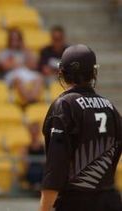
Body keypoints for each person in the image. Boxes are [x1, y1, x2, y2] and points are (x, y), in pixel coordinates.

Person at [40, 44, 122, 211]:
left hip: (75, 202)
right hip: (110, 201)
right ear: (93, 73)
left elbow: (55, 170)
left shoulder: (64, 106)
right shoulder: (110, 107)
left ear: (62, 73)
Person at [0, 28, 44, 105]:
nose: (15, 41)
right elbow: (4, 66)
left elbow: (34, 65)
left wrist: (25, 50)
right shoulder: (5, 52)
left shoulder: (24, 51)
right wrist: (17, 64)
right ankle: (29, 100)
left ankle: (32, 98)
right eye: (13, 39)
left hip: (24, 71)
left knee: (39, 78)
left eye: (17, 39)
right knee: (18, 79)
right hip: (12, 74)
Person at [22, 122, 45, 192]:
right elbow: (25, 163)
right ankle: (36, 185)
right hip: (31, 171)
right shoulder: (26, 148)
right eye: (32, 132)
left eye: (36, 132)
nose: (34, 134)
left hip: (42, 170)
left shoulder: (44, 147)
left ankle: (38, 185)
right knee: (34, 170)